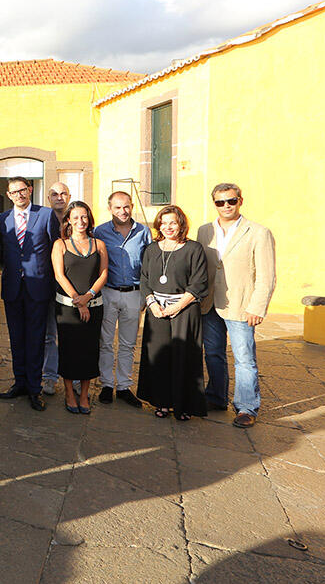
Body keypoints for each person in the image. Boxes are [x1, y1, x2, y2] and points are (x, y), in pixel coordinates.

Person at [198, 183, 276, 428]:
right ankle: (216, 397)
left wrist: (258, 306)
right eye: (220, 202)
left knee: (244, 359)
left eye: (231, 201)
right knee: (213, 354)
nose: (226, 206)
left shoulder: (258, 232)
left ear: (240, 200)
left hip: (242, 305)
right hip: (209, 303)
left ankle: (246, 407)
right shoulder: (204, 231)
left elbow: (267, 275)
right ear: (215, 204)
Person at [136, 205, 208, 421]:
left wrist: (176, 307)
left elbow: (199, 282)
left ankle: (183, 404)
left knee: (183, 357)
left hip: (184, 310)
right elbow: (145, 279)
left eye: (173, 223)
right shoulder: (151, 249)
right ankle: (162, 402)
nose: (168, 227)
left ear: (181, 225)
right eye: (164, 222)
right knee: (159, 356)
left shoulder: (194, 249)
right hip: (156, 310)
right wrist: (152, 304)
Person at [0, 177, 61, 410]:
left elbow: (56, 249)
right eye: (14, 192)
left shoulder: (45, 215)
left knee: (36, 339)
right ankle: (19, 383)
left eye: (22, 190)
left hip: (39, 287)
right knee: (16, 338)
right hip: (13, 287)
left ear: (30, 190)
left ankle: (35, 388)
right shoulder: (1, 220)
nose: (19, 195)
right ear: (9, 194)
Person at [92, 191, 151, 408]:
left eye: (126, 207)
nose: (122, 211)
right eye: (117, 207)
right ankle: (107, 384)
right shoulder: (100, 232)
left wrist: (146, 295)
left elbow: (149, 266)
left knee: (128, 343)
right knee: (106, 341)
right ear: (110, 209)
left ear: (132, 206)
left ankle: (124, 386)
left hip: (134, 294)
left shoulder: (144, 232)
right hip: (108, 292)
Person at [51, 202, 108, 414]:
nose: (80, 222)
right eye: (75, 218)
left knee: (89, 350)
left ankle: (84, 394)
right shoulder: (60, 245)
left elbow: (103, 274)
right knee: (68, 349)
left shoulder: (99, 244)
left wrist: (88, 297)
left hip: (94, 306)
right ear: (68, 221)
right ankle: (68, 392)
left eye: (84, 217)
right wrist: (77, 299)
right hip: (67, 308)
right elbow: (59, 275)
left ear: (89, 218)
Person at [42, 182, 71, 394]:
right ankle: (50, 377)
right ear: (48, 197)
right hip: (47, 286)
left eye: (63, 193)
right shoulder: (41, 219)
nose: (59, 197)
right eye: (54, 194)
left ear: (69, 196)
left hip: (73, 288)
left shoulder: (79, 219)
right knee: (49, 335)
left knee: (72, 335)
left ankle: (75, 377)